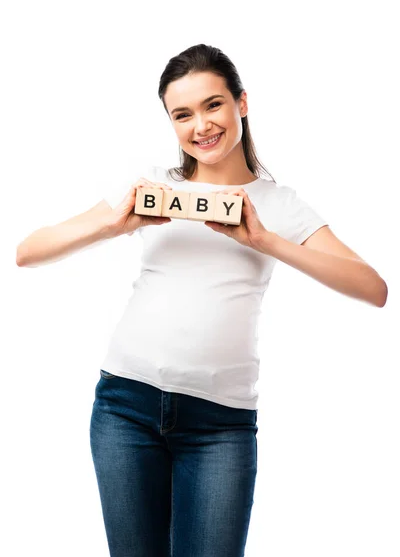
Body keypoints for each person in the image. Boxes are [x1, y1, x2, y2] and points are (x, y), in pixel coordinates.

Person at [16, 43, 387, 557]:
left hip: (221, 424)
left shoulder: (280, 205)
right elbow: (27, 253)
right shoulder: (149, 187)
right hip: (125, 407)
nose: (201, 126)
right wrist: (112, 224)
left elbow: (373, 288)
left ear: (242, 102)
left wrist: (265, 240)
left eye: (213, 104)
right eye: (182, 114)